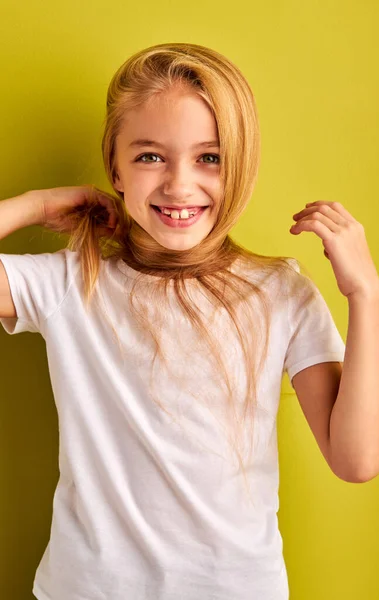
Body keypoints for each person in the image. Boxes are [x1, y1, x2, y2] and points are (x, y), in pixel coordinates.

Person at [0, 43, 346, 600]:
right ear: (114, 165)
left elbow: (355, 459)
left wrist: (366, 293)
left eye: (209, 157)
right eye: (149, 156)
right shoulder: (71, 284)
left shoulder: (280, 291)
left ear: (242, 162)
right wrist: (41, 204)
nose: (180, 186)